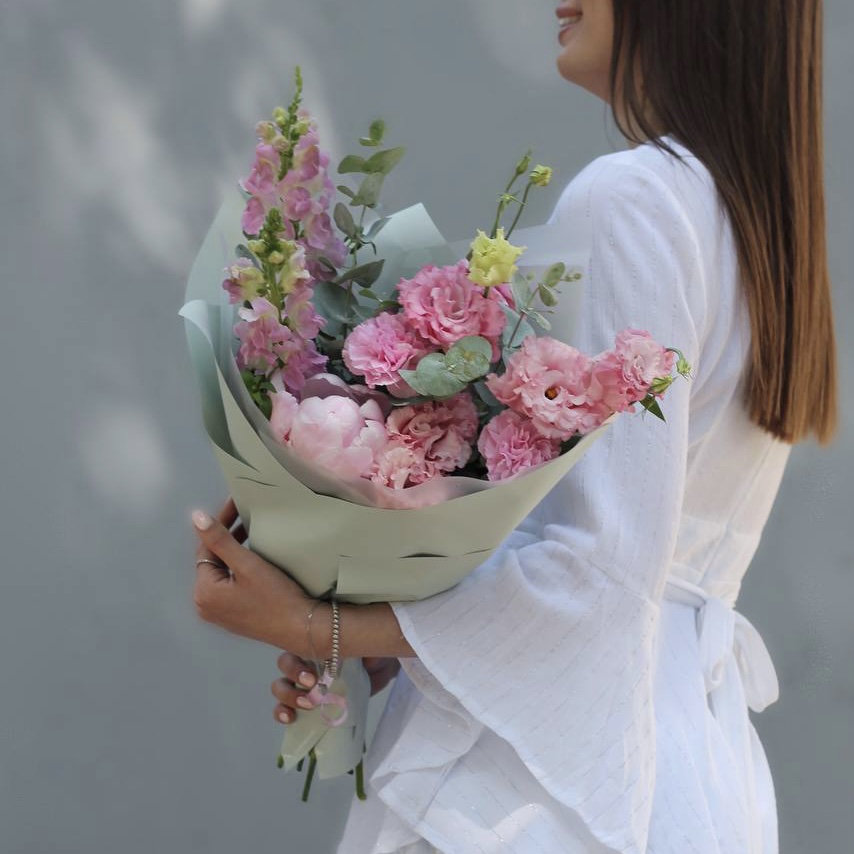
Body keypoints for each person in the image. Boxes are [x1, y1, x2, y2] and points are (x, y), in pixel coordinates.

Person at [190, 0, 838, 851]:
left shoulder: (635, 197)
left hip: (541, 795)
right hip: (695, 768)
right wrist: (409, 642)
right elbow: (629, 567)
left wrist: (317, 625)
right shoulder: (758, 233)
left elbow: (597, 574)